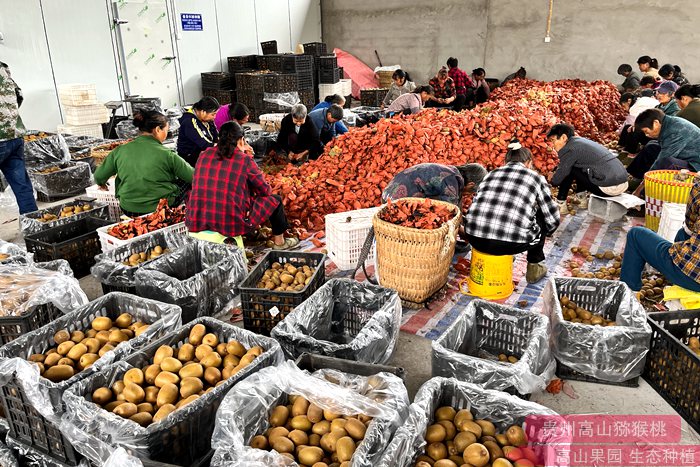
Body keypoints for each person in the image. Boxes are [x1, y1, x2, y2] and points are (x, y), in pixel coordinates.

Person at [186, 121, 298, 250]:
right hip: (230, 224)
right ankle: (280, 243)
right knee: (276, 200)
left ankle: (251, 236)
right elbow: (265, 191)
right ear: (242, 140)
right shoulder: (244, 160)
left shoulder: (203, 155)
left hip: (196, 218)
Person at [464, 140, 560, 284]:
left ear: (506, 161)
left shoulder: (490, 174)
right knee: (542, 212)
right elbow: (552, 218)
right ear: (528, 162)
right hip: (511, 244)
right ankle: (534, 265)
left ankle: (501, 248)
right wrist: (546, 231)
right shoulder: (536, 178)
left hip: (474, 239)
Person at [94, 110, 194, 216]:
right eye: (166, 130)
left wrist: (102, 184)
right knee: (186, 180)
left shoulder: (120, 150)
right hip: (160, 208)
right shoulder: (167, 154)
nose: (167, 133)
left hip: (128, 208)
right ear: (158, 129)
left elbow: (99, 176)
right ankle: (187, 212)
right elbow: (193, 177)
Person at [621, 174, 700, 293]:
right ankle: (674, 277)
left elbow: (690, 226)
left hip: (694, 276)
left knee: (636, 234)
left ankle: (627, 295)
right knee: (681, 234)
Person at [547, 123, 629, 214]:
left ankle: (560, 204)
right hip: (623, 183)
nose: (552, 145)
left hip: (610, 188)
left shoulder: (569, 149)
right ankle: (582, 199)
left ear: (563, 137)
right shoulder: (579, 142)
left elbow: (562, 173)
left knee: (569, 170)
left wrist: (552, 181)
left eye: (553, 140)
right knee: (577, 167)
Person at [630, 109, 700, 191]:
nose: (646, 135)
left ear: (656, 123)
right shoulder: (668, 123)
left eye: (646, 131)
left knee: (666, 162)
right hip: (683, 155)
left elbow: (662, 159)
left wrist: (641, 187)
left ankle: (646, 190)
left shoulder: (676, 130)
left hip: (695, 165)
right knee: (651, 146)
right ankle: (635, 178)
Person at [0, 61, 37, 214]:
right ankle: (34, 227)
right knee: (22, 185)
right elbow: (19, 95)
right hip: (14, 134)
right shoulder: (2, 67)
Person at [382, 163, 487, 207]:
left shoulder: (451, 172)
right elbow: (449, 212)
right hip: (396, 202)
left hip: (388, 193)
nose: (468, 195)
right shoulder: (452, 183)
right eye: (471, 192)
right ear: (470, 184)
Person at [177, 96, 220, 167]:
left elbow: (216, 135)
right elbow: (205, 144)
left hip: (202, 154)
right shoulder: (189, 121)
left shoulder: (207, 119)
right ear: (203, 112)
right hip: (189, 160)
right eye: (213, 114)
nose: (214, 117)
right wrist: (224, 146)